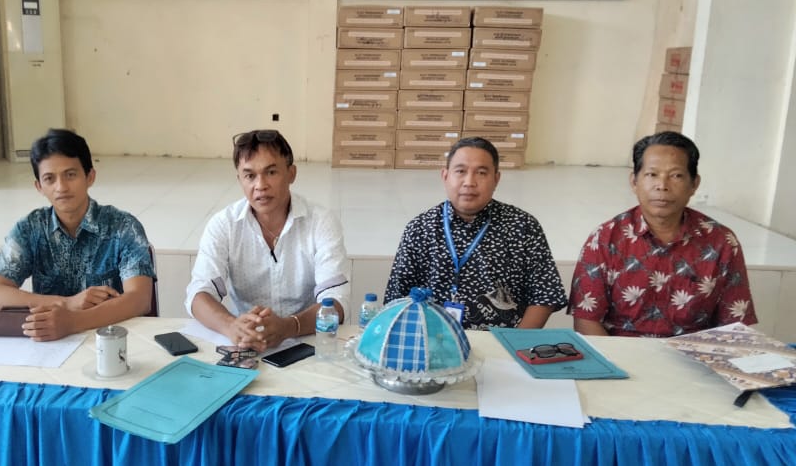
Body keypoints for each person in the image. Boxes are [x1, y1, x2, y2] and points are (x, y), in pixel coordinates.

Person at [570, 131, 756, 337]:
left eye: (676, 176)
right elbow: (586, 320)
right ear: (634, 182)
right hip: (617, 352)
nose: (662, 186)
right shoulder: (606, 238)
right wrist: (612, 358)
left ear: (694, 184)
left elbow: (735, 326)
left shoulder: (721, 242)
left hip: (694, 353)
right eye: (652, 174)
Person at [0, 128, 155, 342]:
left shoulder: (123, 227)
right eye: (49, 179)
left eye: (70, 175)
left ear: (90, 177)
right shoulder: (30, 229)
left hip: (112, 340)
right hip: (50, 342)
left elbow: (139, 299)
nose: (61, 187)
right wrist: (66, 303)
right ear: (39, 187)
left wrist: (73, 322)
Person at [185, 129, 350, 352]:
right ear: (239, 180)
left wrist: (288, 327)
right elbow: (198, 294)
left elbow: (337, 302)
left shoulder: (321, 222)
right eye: (249, 176)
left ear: (291, 174)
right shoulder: (224, 224)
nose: (260, 185)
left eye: (271, 172)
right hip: (247, 342)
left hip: (308, 340)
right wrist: (231, 326)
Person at [385, 137, 566, 329]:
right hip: (433, 339)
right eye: (460, 171)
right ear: (445, 176)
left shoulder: (523, 226)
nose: (469, 182)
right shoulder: (420, 228)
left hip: (504, 338)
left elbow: (544, 296)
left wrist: (515, 342)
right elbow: (397, 298)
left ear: (496, 179)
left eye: (481, 173)